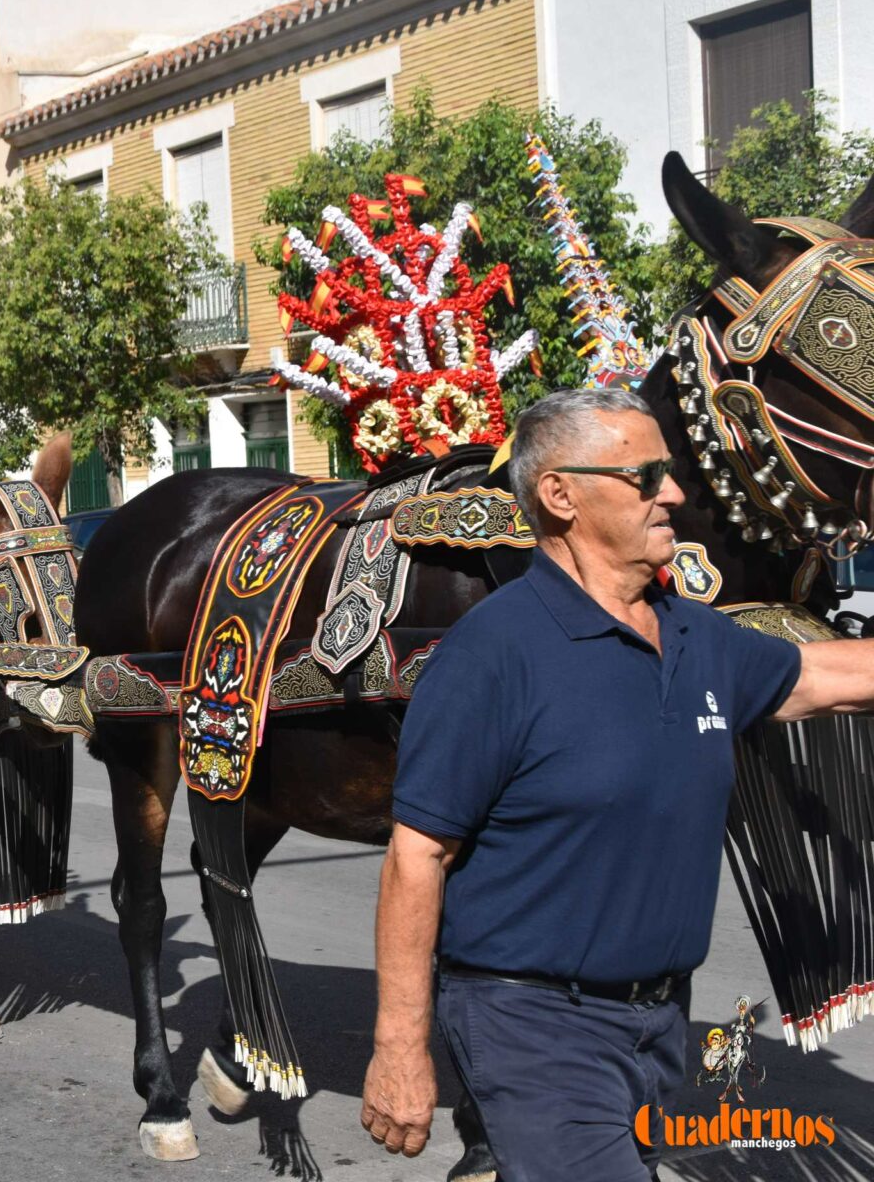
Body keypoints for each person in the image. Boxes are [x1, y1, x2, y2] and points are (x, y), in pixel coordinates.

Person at [360, 388, 874, 1180]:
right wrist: (399, 1046)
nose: (674, 495)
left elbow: (822, 677)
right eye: (646, 477)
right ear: (560, 495)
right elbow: (417, 856)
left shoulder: (695, 632)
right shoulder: (495, 651)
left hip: (659, 1026)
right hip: (533, 1026)